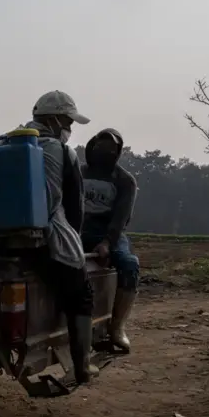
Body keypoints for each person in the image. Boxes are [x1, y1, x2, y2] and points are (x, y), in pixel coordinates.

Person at [24, 90, 98, 384]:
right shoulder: (60, 150)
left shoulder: (8, 143)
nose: (69, 128)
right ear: (54, 120)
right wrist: (74, 240)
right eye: (68, 121)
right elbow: (70, 203)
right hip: (45, 238)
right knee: (81, 294)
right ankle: (83, 366)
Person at [81, 128, 139, 353]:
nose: (104, 151)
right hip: (77, 229)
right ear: (92, 147)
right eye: (100, 146)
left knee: (129, 264)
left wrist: (107, 242)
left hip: (106, 231)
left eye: (111, 148)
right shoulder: (78, 173)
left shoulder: (125, 181)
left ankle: (117, 328)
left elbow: (121, 217)